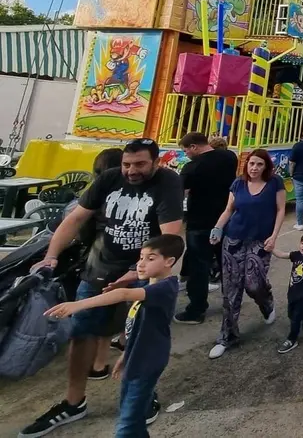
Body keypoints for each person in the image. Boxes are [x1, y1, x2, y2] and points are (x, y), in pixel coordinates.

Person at [22, 139, 183, 437]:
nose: (131, 171)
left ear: (155, 163)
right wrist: (51, 256)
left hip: (141, 273)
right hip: (99, 268)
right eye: (127, 164)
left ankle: (143, 397)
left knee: (140, 339)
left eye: (140, 164)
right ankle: (73, 402)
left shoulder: (168, 183)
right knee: (81, 333)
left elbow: (171, 237)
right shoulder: (110, 178)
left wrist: (136, 271)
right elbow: (75, 218)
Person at [45, 234, 184, 438]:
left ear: (169, 262)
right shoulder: (149, 287)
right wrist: (125, 355)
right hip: (136, 359)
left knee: (126, 425)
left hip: (148, 363)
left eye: (151, 258)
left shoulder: (164, 288)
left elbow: (123, 294)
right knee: (132, 419)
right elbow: (140, 330)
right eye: (141, 257)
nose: (141, 264)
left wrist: (78, 305)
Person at [208, 149, 286, 359]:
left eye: (259, 164)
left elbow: (280, 210)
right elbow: (229, 210)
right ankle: (227, 335)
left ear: (266, 166)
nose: (254, 168)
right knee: (231, 289)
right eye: (252, 163)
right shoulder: (238, 184)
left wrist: (274, 235)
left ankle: (266, 302)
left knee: (254, 283)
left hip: (260, 240)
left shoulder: (275, 183)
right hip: (234, 238)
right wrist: (217, 228)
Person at [175, 132, 238, 325]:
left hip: (199, 222)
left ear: (194, 147)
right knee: (227, 262)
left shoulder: (192, 167)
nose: (186, 154)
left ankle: (196, 310)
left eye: (186, 150)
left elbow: (179, 195)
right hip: (225, 218)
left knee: (199, 267)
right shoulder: (229, 157)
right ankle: (233, 301)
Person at [82, 147, 124, 379]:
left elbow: (82, 229)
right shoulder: (130, 193)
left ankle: (95, 364)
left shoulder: (97, 192)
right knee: (115, 310)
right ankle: (101, 361)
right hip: (123, 262)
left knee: (95, 309)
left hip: (98, 259)